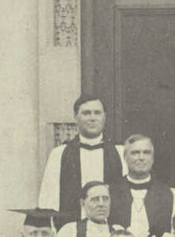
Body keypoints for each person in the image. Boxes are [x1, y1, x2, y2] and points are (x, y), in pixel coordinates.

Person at [38, 93, 125, 224]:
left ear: (105, 116)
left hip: (111, 229)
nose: (92, 118)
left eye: (97, 113)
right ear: (75, 117)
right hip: (71, 229)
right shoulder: (59, 154)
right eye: (86, 113)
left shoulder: (120, 153)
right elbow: (48, 200)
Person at [111, 134, 175, 237]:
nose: (141, 157)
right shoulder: (109, 193)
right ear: (125, 157)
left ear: (153, 158)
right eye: (135, 153)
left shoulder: (172, 194)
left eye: (146, 153)